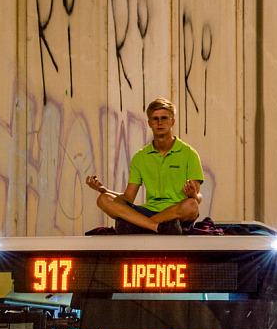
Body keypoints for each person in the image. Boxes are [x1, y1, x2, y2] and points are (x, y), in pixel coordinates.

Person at [85, 99, 203, 234]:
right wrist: (105, 190)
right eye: (155, 119)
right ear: (150, 123)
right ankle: (156, 227)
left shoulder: (190, 154)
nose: (159, 122)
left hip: (176, 211)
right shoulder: (140, 157)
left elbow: (196, 198)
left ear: (172, 122)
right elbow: (128, 197)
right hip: (148, 212)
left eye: (164, 118)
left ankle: (138, 225)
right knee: (103, 200)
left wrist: (193, 194)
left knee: (192, 206)